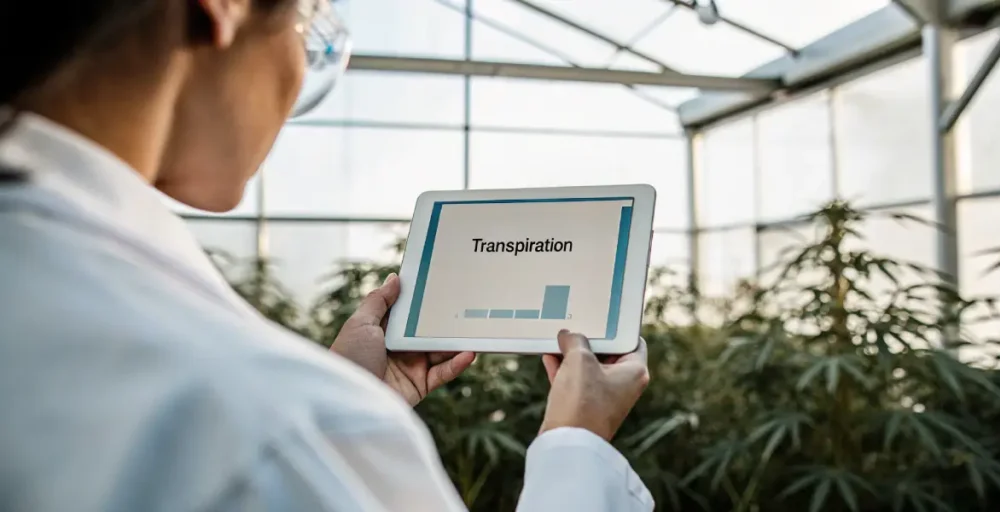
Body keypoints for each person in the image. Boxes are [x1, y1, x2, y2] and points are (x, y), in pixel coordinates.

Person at [0, 1, 654, 511]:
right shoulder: (272, 429)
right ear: (221, 6)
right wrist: (577, 446)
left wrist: (355, 389)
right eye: (307, 14)